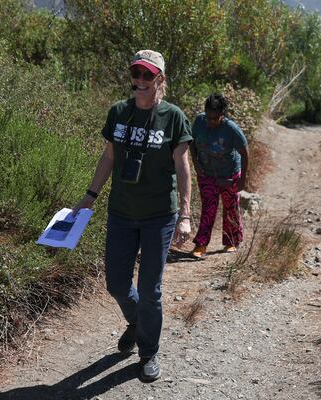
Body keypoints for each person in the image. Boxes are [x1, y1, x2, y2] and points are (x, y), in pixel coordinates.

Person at [72, 50, 192, 382]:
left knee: (150, 288)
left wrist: (185, 214)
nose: (139, 81)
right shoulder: (119, 113)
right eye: (135, 74)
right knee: (117, 284)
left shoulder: (173, 117)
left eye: (147, 76)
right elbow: (109, 156)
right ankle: (137, 320)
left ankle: (148, 352)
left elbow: (183, 167)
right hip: (122, 212)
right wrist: (90, 195)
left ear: (160, 80)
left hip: (159, 215)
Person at [190, 93, 248, 258]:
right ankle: (201, 244)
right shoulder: (199, 121)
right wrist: (196, 162)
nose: (210, 121)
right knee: (208, 206)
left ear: (222, 114)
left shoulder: (231, 129)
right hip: (206, 173)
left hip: (228, 175)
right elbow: (192, 143)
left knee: (230, 207)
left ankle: (231, 241)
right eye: (208, 116)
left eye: (214, 118)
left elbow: (245, 153)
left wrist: (242, 180)